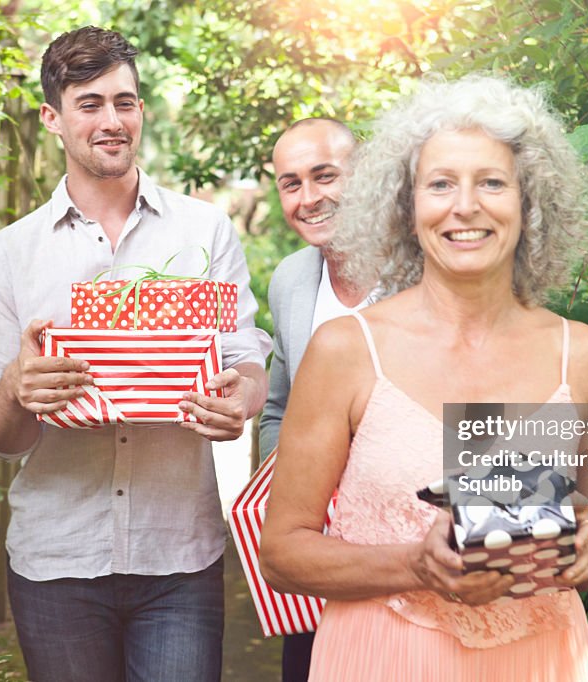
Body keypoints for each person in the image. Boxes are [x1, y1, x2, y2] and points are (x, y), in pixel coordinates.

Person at [261, 74, 588, 681]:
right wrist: (413, 566)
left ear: (529, 203)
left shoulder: (582, 355)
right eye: (441, 184)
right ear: (407, 205)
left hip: (544, 659)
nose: (465, 207)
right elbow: (282, 552)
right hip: (380, 658)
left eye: (493, 183)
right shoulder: (346, 349)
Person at [0, 27, 271, 682]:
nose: (113, 120)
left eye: (125, 102)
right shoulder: (7, 257)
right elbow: (0, 436)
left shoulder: (204, 231)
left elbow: (244, 353)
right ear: (52, 117)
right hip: (56, 562)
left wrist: (240, 399)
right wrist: (18, 389)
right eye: (90, 103)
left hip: (179, 561)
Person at [258, 118, 365, 682]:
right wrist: (291, 489)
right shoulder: (291, 281)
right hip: (316, 563)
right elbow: (278, 408)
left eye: (326, 176)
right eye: (291, 183)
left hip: (410, 554)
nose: (309, 198)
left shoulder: (429, 272)